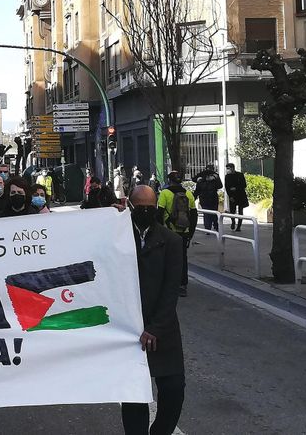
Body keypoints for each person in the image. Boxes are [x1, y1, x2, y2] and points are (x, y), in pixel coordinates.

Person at [119, 185, 185, 435]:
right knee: (134, 395)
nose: (146, 211)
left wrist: (156, 328)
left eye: (151, 207)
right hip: (129, 331)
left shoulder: (172, 241)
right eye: (141, 207)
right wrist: (111, 219)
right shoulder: (118, 235)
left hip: (163, 329)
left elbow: (171, 290)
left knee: (174, 391)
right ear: (131, 206)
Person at [158, 171, 196, 296]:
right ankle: (182, 284)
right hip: (184, 232)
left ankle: (169, 283)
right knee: (183, 258)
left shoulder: (164, 193)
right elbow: (194, 214)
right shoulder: (189, 194)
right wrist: (190, 232)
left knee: (167, 257)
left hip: (168, 231)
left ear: (169, 181)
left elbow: (159, 213)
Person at [193, 165, 222, 232]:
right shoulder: (201, 177)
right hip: (204, 199)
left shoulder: (215, 176)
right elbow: (196, 186)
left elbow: (220, 186)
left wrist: (215, 178)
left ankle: (215, 225)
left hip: (213, 198)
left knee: (214, 213)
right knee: (206, 214)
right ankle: (207, 228)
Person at [224, 163, 249, 231]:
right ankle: (233, 222)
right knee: (232, 211)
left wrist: (236, 188)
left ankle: (239, 226)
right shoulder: (227, 176)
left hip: (240, 195)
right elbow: (226, 187)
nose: (227, 170)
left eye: (228, 168)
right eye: (227, 168)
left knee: (240, 211)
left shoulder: (240, 175)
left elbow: (244, 185)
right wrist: (230, 196)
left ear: (233, 168)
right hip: (232, 196)